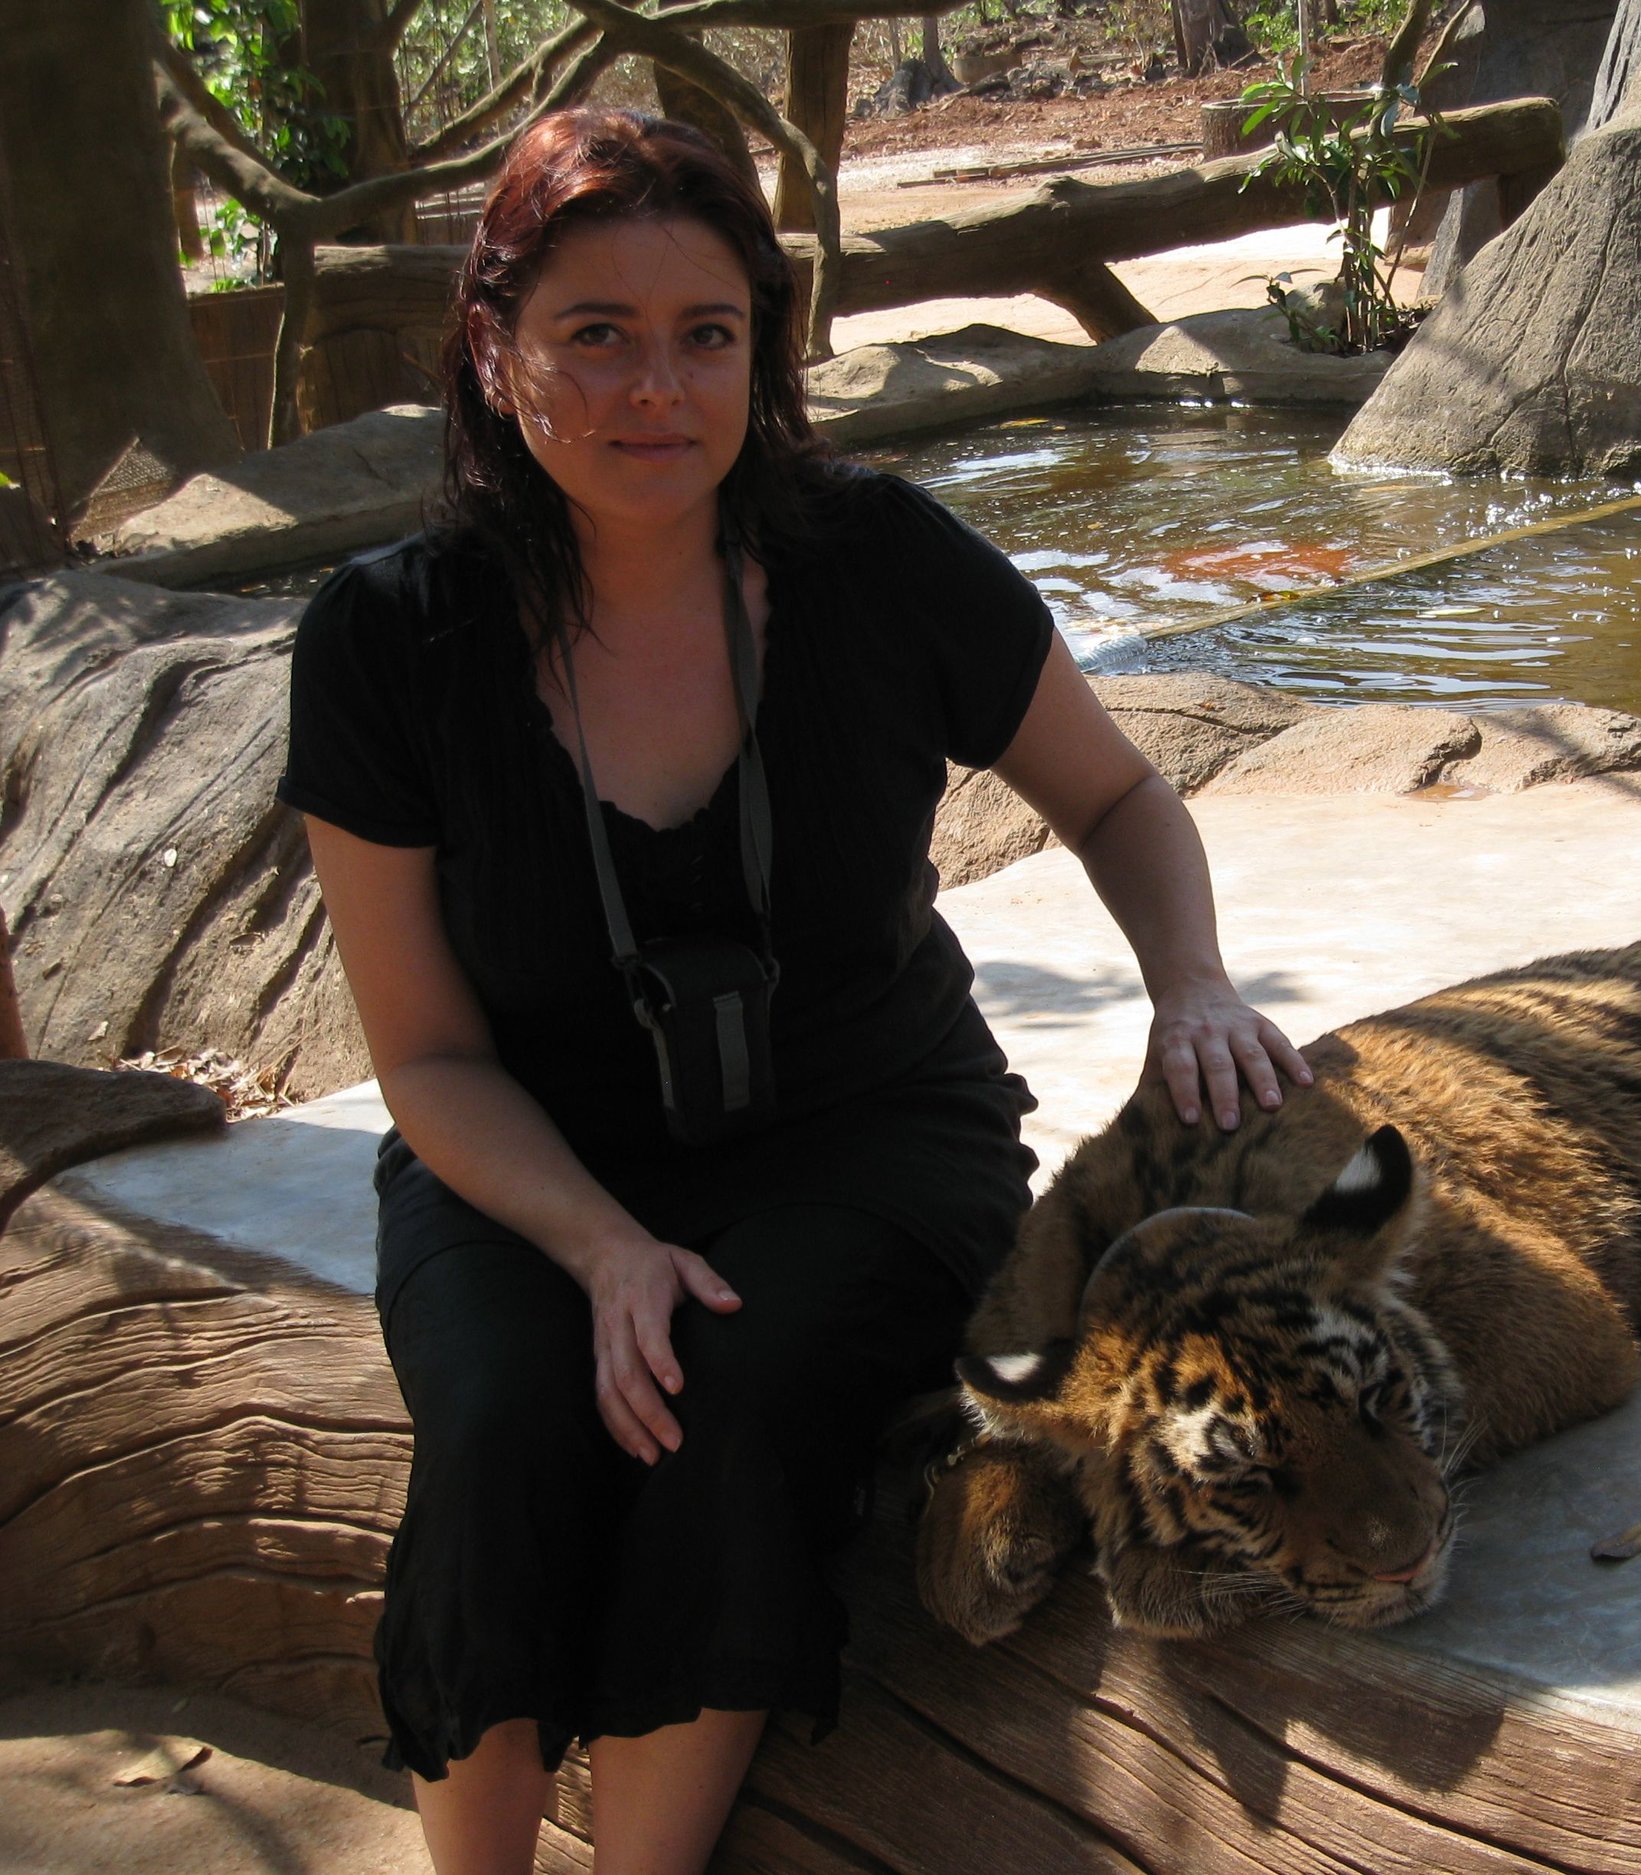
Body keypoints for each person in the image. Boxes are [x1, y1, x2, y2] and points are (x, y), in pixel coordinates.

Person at [279, 108, 1309, 1875]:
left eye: (706, 335)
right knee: (510, 1425)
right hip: (525, 1154)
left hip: (868, 1135)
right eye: (593, 334)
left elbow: (1123, 796)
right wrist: (603, 1248)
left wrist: (1194, 982)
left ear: (766, 345)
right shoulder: (387, 639)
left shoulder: (882, 561)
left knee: (727, 1402)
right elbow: (429, 1056)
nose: (652, 388)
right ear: (492, 347)